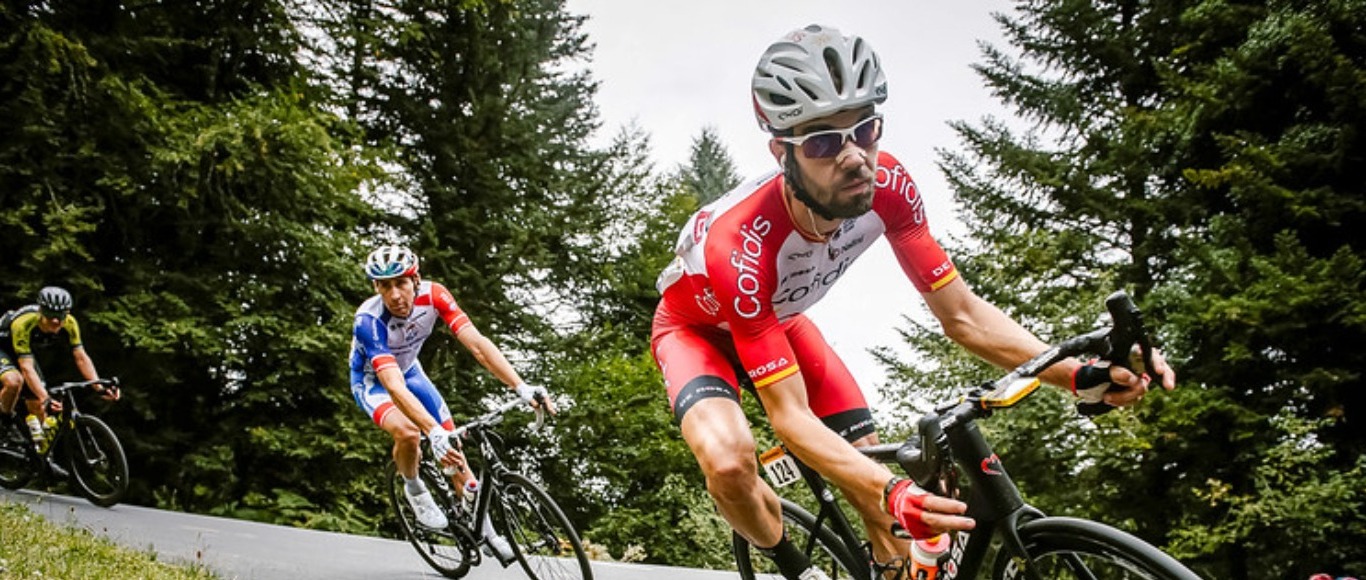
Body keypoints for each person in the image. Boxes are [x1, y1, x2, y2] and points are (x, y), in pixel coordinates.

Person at [649, 24, 1177, 580]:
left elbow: (964, 316)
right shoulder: (743, 243)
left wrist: (1079, 374)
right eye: (824, 142)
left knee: (885, 512)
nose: (854, 157)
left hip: (781, 322)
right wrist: (890, 490)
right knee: (731, 462)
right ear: (783, 153)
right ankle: (794, 569)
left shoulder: (891, 187)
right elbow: (791, 418)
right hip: (698, 332)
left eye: (866, 129)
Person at [348, 245, 547, 562]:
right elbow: (393, 385)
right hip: (374, 382)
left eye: (401, 282)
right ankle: (415, 491)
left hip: (412, 371)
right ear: (376, 288)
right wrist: (431, 430)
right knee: (410, 433)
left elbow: (478, 346)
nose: (395, 294)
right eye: (385, 286)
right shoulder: (368, 321)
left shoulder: (435, 296)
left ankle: (487, 534)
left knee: (454, 451)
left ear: (416, 279)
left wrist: (521, 386)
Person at [1, 286, 119, 429]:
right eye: (50, 315)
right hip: (3, 347)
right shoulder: (23, 324)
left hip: (24, 352)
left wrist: (99, 387)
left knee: (38, 403)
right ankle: (5, 422)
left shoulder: (70, 323)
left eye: (61, 315)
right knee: (14, 381)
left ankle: (38, 447)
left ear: (67, 313)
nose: (56, 321)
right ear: (41, 312)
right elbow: (26, 367)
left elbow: (81, 357)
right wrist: (46, 398)